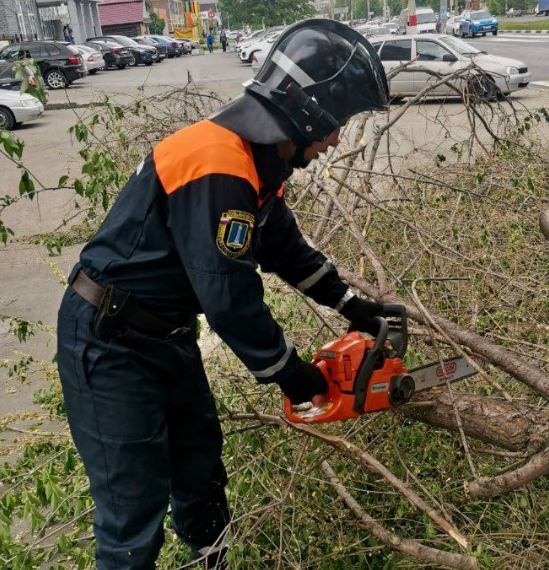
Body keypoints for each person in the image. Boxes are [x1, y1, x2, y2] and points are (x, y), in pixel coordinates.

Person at [57, 18, 389, 570]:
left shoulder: (256, 162)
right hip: (110, 344)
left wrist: (352, 306)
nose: (335, 140)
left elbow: (286, 249)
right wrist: (291, 372)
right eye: (338, 124)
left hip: (168, 338)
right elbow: (228, 293)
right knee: (131, 516)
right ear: (309, 110)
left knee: (201, 477)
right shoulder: (218, 163)